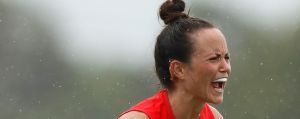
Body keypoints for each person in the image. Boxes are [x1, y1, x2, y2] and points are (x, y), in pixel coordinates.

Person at [118, 0, 231, 119]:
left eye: (227, 58)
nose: (226, 67)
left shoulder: (214, 117)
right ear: (178, 69)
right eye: (214, 58)